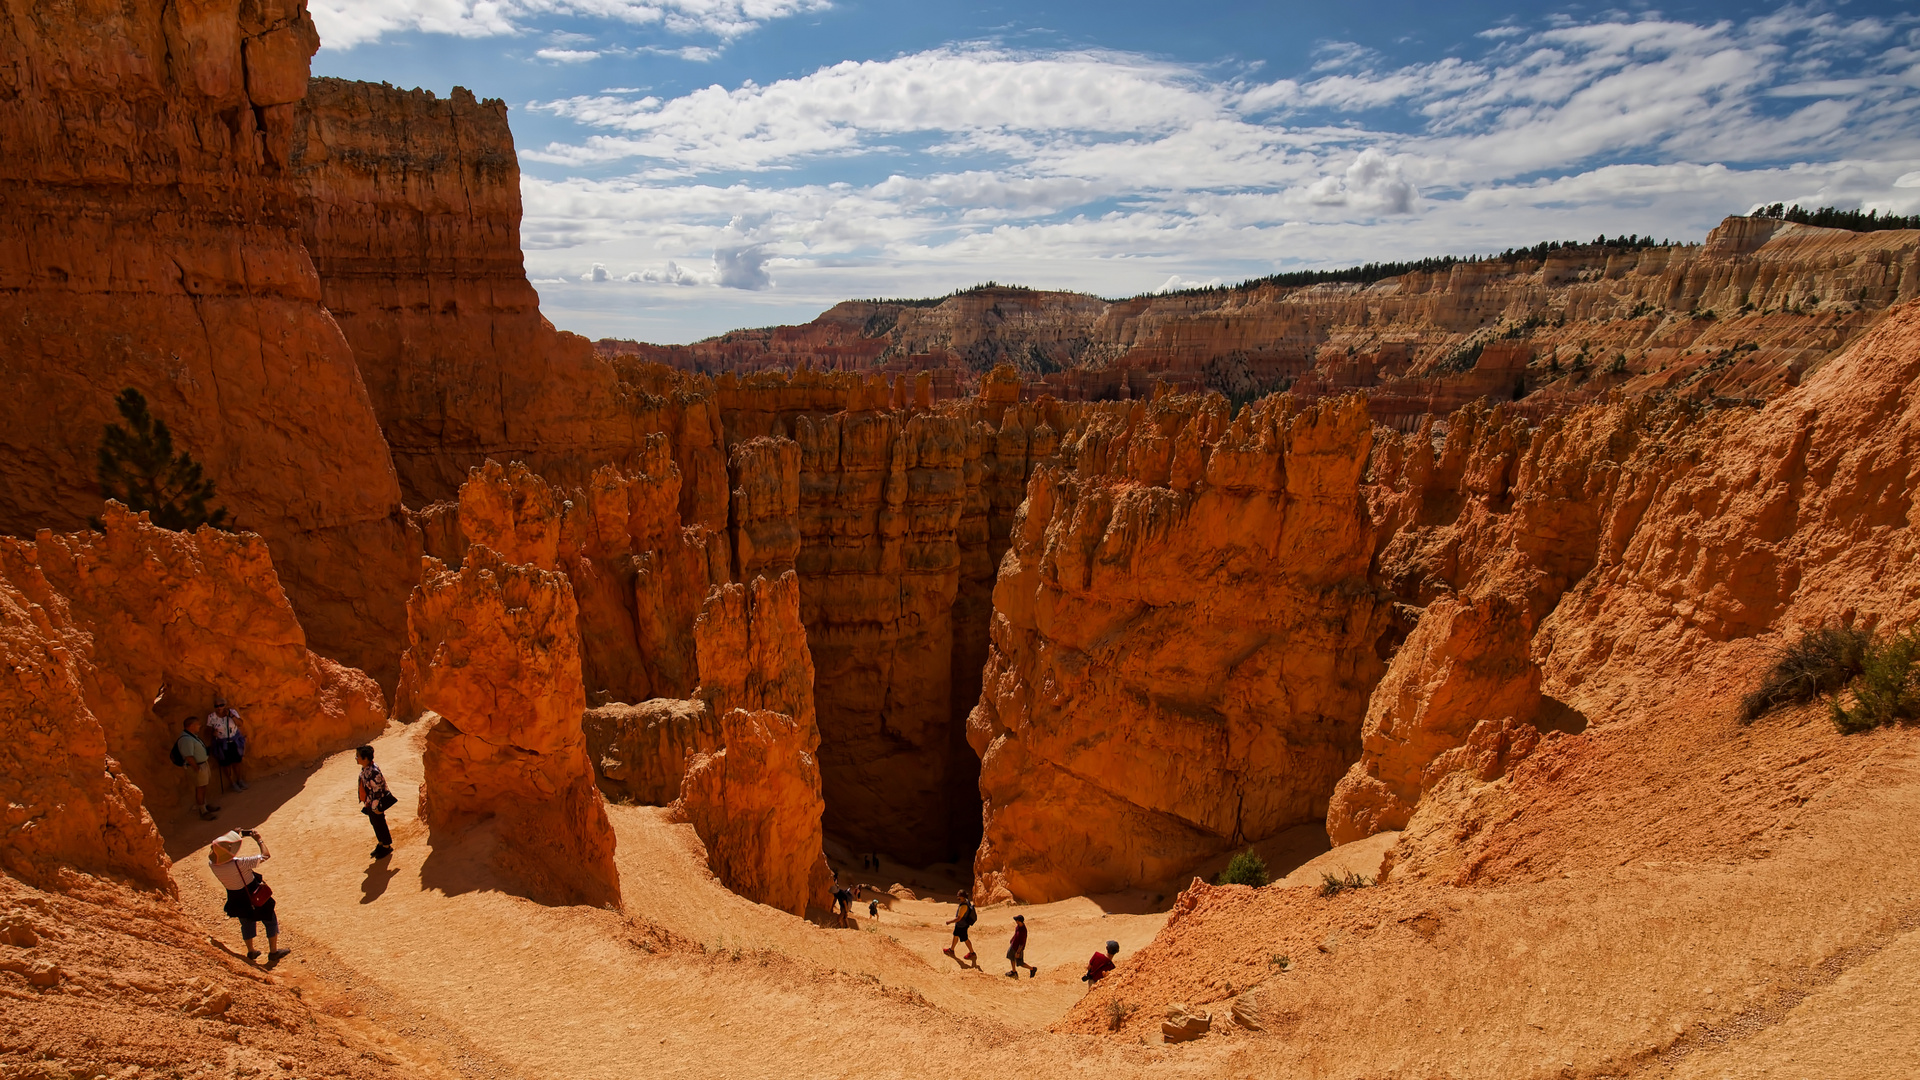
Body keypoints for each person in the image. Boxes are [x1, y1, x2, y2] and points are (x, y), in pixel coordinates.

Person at [208, 828, 286, 962]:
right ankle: (273, 951)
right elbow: (265, 855)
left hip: (235, 896)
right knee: (270, 919)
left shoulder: (212, 865)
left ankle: (251, 951)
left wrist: (236, 835)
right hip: (252, 892)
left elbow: (223, 854)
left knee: (246, 922)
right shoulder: (240, 863)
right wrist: (259, 840)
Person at [176, 716, 219, 820]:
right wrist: (196, 768)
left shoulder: (192, 736)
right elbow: (188, 756)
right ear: (191, 726)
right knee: (200, 788)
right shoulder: (186, 739)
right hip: (197, 766)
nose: (200, 726)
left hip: (201, 764)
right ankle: (203, 811)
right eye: (197, 724)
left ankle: (205, 805)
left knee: (203, 786)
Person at [355, 745, 394, 858]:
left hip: (375, 804)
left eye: (358, 756)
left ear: (365, 758)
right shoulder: (366, 769)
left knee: (380, 823)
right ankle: (381, 843)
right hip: (370, 803)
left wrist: (376, 807)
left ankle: (386, 846)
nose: (356, 758)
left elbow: (377, 790)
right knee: (375, 823)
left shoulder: (373, 771)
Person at [205, 697, 248, 793]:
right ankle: (232, 783)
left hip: (234, 741)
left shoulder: (232, 712)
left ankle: (240, 780)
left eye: (221, 705)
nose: (219, 708)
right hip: (221, 743)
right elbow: (208, 730)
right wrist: (213, 733)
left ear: (225, 705)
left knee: (237, 762)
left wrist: (231, 716)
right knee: (226, 764)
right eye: (216, 706)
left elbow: (240, 724)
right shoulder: (211, 717)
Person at [942, 889, 977, 963]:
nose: (958, 897)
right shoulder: (966, 901)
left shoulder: (964, 906)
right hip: (961, 925)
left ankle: (972, 953)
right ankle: (951, 950)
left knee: (965, 939)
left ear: (962, 897)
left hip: (962, 925)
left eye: (959, 896)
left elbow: (958, 918)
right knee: (955, 936)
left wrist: (950, 922)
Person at [1005, 913, 1037, 979]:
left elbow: (1022, 943)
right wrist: (1012, 938)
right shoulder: (1018, 926)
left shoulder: (1023, 931)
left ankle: (1032, 969)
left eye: (1016, 920)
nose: (1015, 921)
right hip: (1013, 945)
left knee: (1020, 963)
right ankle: (1014, 972)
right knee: (1011, 956)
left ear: (1019, 921)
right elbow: (1016, 933)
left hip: (1018, 948)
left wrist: (1018, 952)